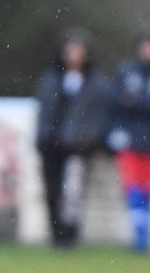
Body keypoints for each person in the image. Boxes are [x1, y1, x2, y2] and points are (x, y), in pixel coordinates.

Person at [33, 27, 109, 248]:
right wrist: (46, 136)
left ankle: (70, 235)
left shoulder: (94, 81)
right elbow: (46, 110)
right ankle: (57, 235)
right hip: (51, 144)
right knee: (52, 192)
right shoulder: (52, 78)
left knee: (73, 193)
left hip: (77, 146)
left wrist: (86, 139)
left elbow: (97, 114)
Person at [106, 23, 150, 252]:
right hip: (130, 142)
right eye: (146, 45)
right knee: (134, 189)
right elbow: (116, 101)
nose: (149, 50)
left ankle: (144, 239)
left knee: (149, 191)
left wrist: (136, 101)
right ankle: (140, 239)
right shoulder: (126, 71)